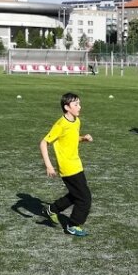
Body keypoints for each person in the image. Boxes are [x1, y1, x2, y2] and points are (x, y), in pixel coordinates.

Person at [40, 92, 94, 237]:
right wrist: (48, 165)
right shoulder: (61, 124)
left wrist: (83, 138)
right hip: (68, 167)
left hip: (77, 163)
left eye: (79, 103)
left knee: (76, 194)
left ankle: (52, 209)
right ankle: (73, 225)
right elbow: (44, 143)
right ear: (67, 107)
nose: (79, 107)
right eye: (76, 104)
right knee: (85, 199)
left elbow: (71, 138)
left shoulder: (76, 121)